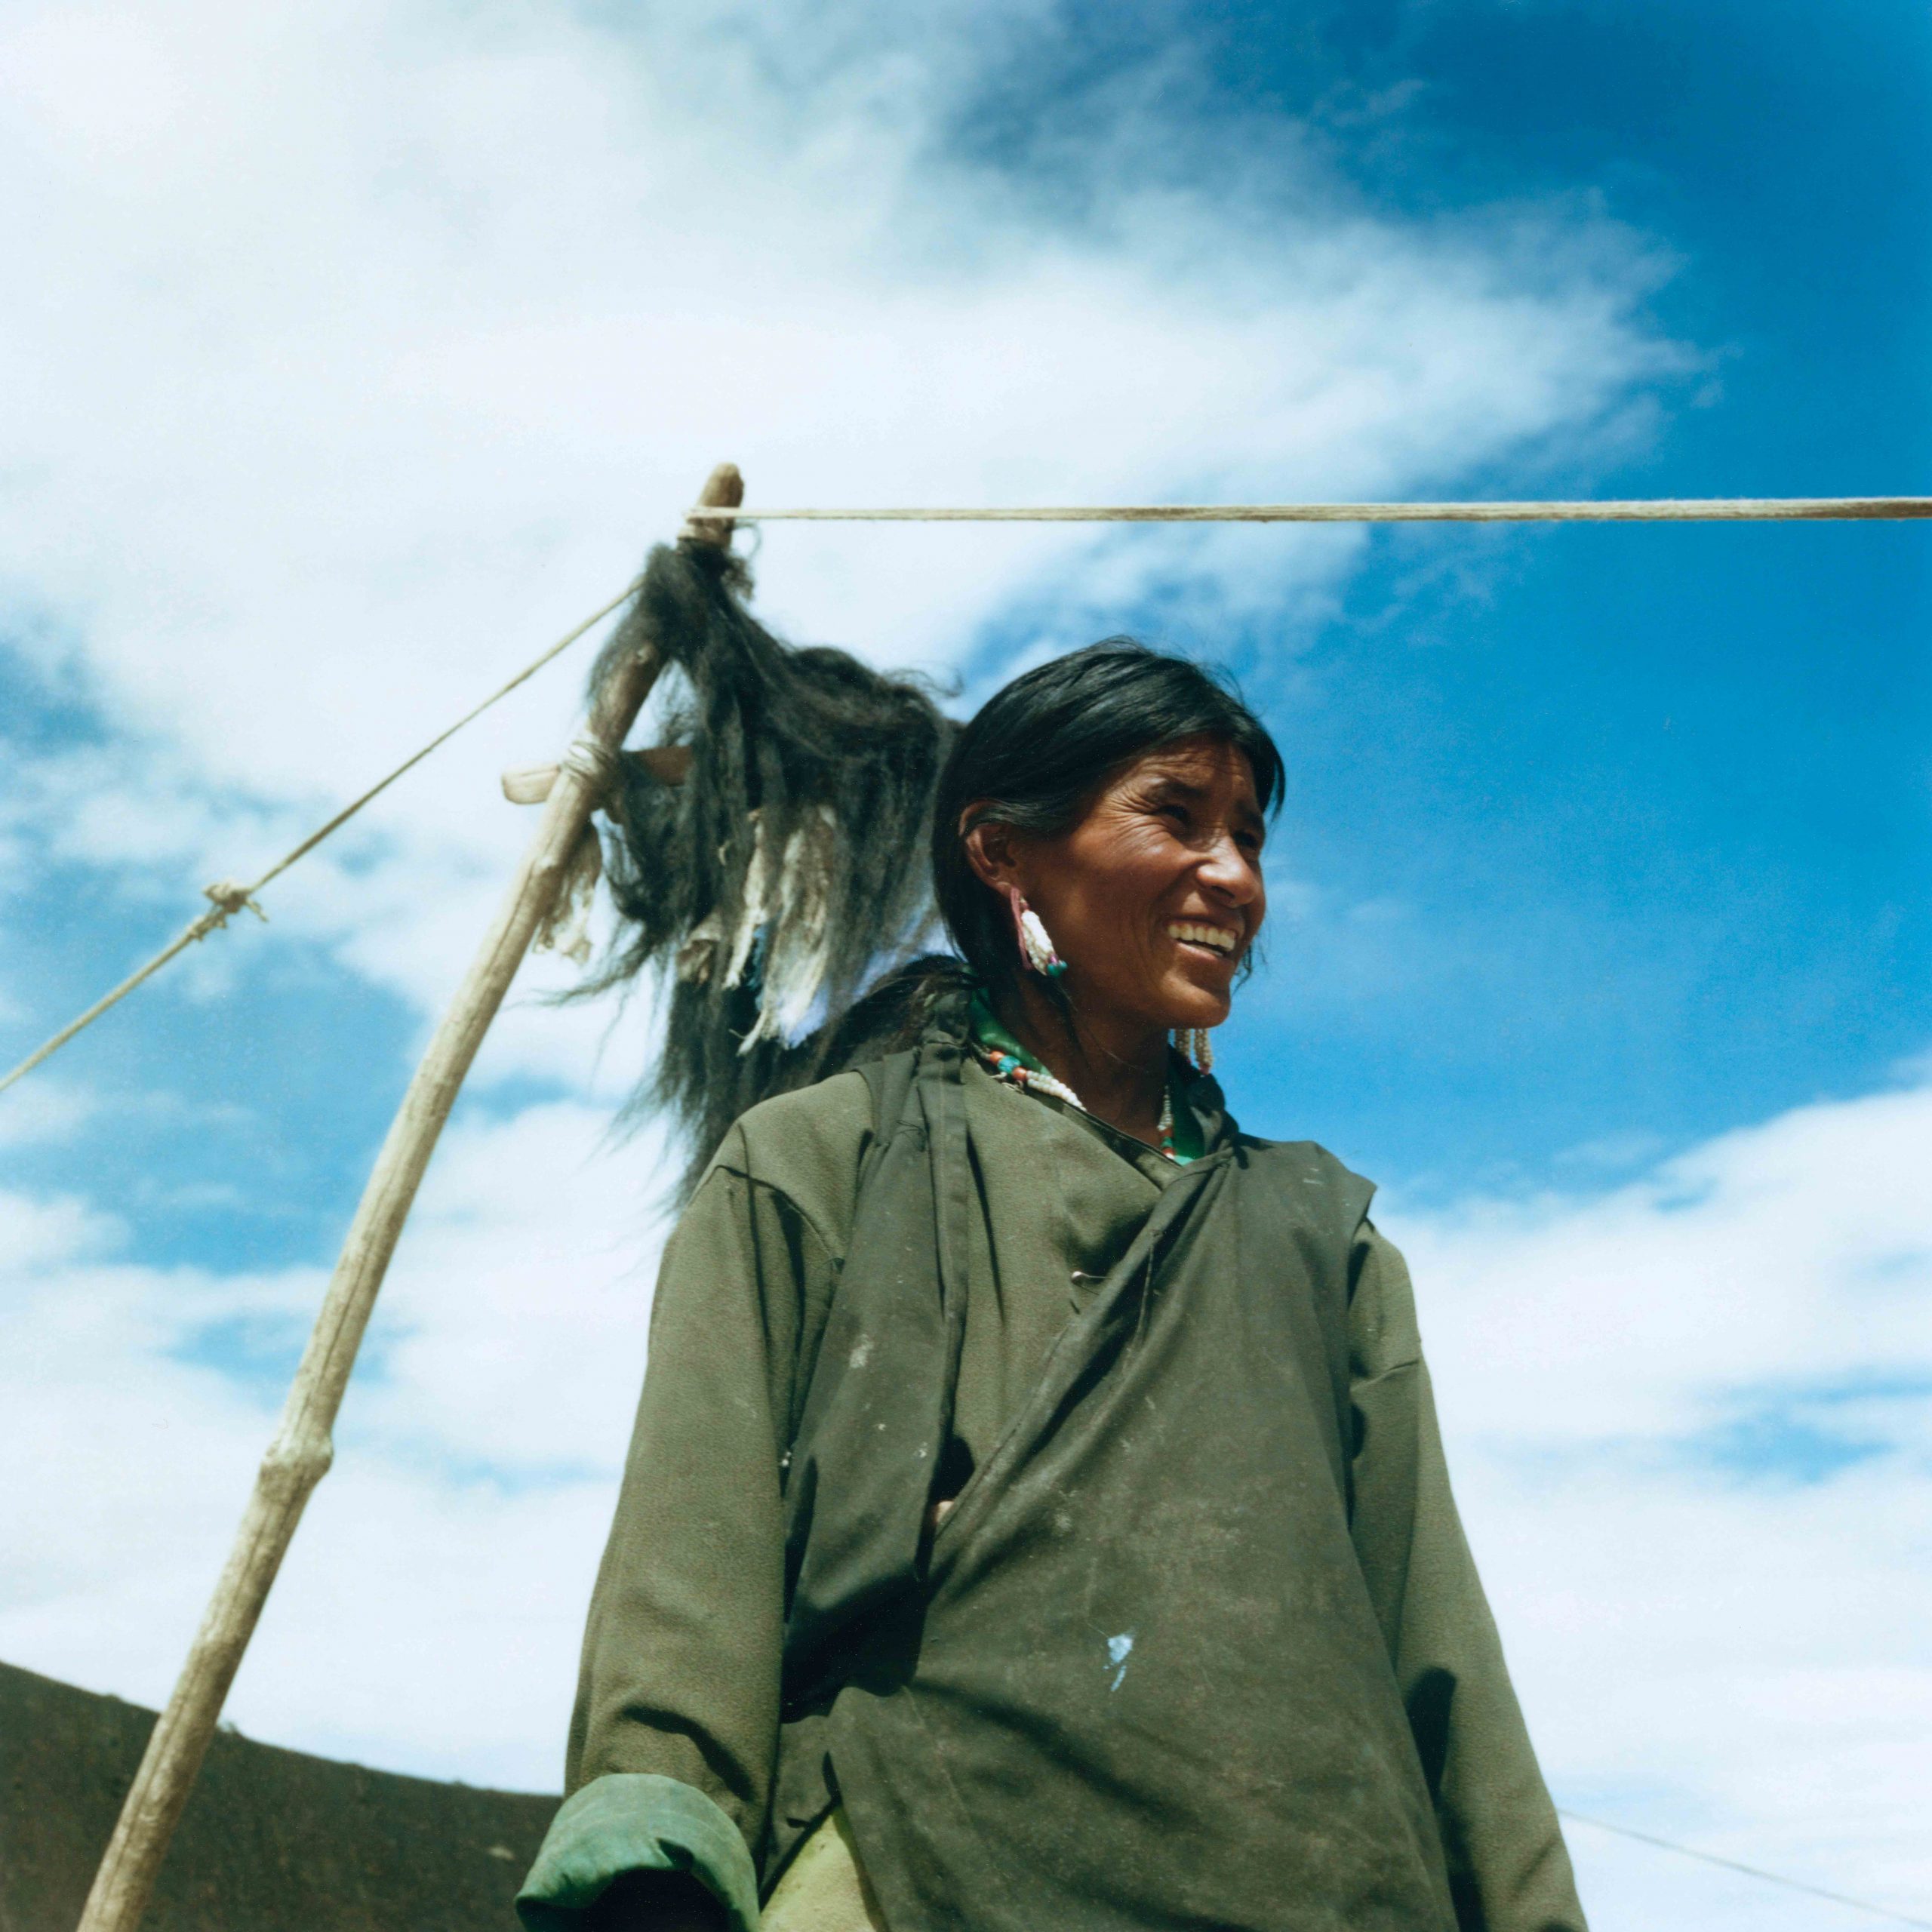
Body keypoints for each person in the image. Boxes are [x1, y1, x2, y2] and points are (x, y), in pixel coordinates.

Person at [518, 642, 1587, 1932]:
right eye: (1175, 817)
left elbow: (1438, 1639)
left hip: (1323, 1880)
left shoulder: (1320, 1237)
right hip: (926, 1853)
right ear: (1003, 853)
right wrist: (656, 1847)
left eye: (1248, 838)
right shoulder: (825, 1160)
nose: (1234, 878)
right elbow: (694, 1556)